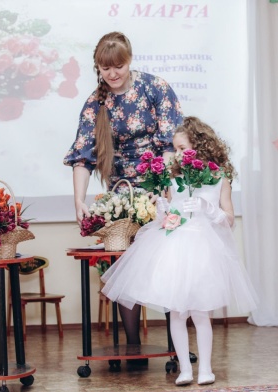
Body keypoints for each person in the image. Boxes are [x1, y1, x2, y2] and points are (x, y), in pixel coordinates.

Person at [101, 116, 258, 385]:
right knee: (177, 311)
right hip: (175, 247)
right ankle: (185, 368)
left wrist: (209, 209)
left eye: (182, 148)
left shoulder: (219, 178)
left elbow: (229, 220)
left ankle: (205, 368)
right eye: (175, 149)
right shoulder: (174, 179)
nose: (177, 154)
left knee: (201, 312)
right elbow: (171, 215)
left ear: (200, 145)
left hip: (204, 249)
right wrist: (163, 210)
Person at [63, 32, 184, 353]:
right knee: (125, 267)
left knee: (167, 266)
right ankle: (133, 347)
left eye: (119, 66)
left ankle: (176, 345)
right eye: (105, 68)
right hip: (122, 195)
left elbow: (171, 144)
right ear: (98, 67)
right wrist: (79, 200)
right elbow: (82, 157)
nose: (113, 74)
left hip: (159, 191)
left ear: (129, 60)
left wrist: (163, 186)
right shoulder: (95, 102)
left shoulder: (155, 88)